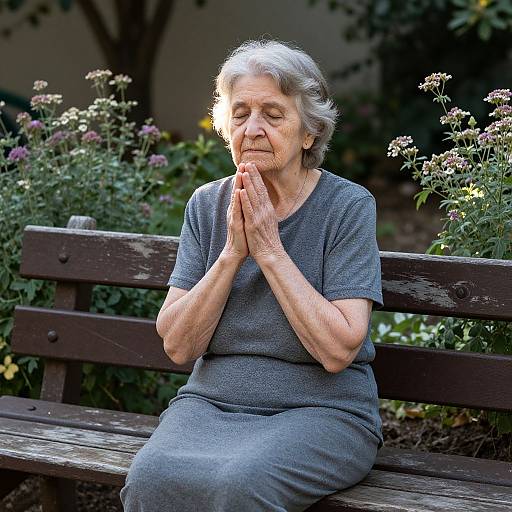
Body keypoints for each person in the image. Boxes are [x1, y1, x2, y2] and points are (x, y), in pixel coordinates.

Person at [120, 39, 384, 512]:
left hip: (325, 412)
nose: (254, 128)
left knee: (241, 486)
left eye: (273, 114)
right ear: (226, 128)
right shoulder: (207, 205)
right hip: (210, 403)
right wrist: (231, 255)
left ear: (309, 132)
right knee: (149, 480)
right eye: (240, 114)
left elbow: (340, 347)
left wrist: (270, 251)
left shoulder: (347, 208)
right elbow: (178, 344)